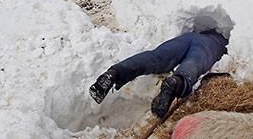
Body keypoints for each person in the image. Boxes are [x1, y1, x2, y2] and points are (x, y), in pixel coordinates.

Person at [89, 29, 229, 117]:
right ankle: (176, 82)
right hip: (211, 46)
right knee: (192, 64)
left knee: (156, 57)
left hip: (189, 37)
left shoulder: (204, 30)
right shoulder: (226, 41)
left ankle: (114, 73)